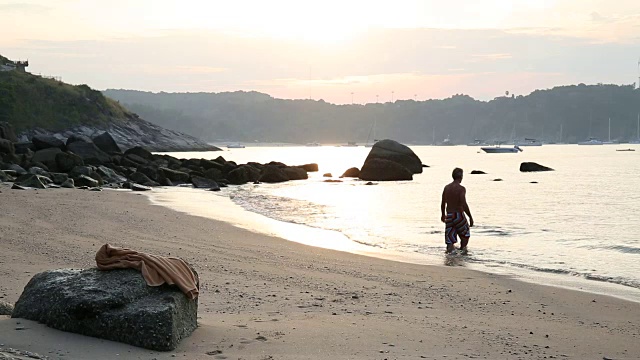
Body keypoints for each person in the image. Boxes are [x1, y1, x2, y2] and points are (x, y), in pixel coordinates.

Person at [440, 168, 474, 254]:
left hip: (450, 215)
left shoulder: (447, 188)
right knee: (465, 235)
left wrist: (443, 215)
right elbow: (463, 203)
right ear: (461, 177)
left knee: (449, 238)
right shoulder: (461, 189)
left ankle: (450, 255)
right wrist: (470, 216)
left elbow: (443, 202)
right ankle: (462, 251)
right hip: (458, 215)